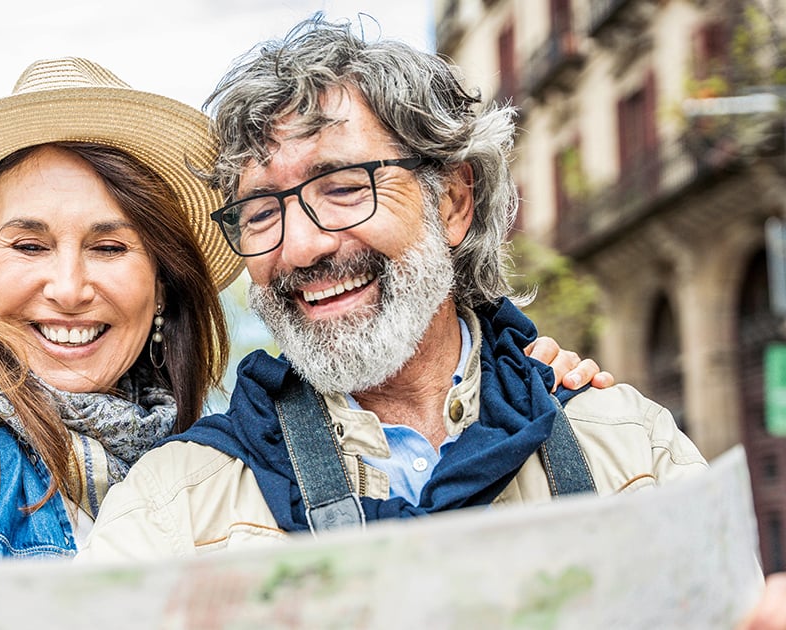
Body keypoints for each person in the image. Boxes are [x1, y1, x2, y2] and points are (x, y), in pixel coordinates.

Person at [0, 56, 605, 563]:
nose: (67, 287)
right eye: (29, 246)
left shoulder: (194, 458)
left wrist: (526, 386)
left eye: (109, 246)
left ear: (162, 282)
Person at [76, 16, 711, 559]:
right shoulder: (172, 511)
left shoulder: (632, 450)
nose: (301, 247)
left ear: (453, 202)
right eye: (262, 212)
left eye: (343, 187)